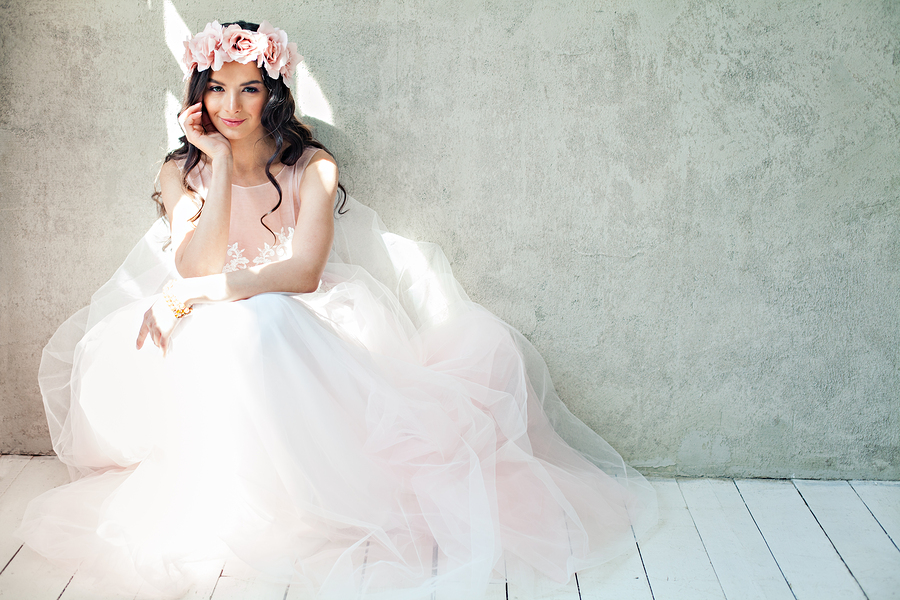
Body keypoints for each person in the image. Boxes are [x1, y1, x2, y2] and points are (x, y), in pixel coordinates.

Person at [18, 20, 657, 600]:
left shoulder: (311, 166)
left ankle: (310, 492)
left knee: (261, 320)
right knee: (210, 336)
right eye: (217, 89)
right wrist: (213, 170)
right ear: (198, 93)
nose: (231, 107)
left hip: (296, 313)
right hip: (211, 317)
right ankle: (239, 492)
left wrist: (197, 295)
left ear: (275, 93)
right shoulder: (181, 170)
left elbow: (301, 273)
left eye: (249, 89)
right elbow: (194, 265)